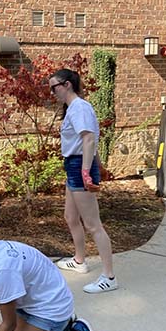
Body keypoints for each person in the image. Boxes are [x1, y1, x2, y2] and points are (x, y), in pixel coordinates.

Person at [49, 69, 118, 294]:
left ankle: (109, 276)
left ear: (67, 84)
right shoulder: (75, 109)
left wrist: (87, 171)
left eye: (54, 87)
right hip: (75, 166)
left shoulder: (79, 108)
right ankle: (80, 261)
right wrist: (96, 166)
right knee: (70, 217)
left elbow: (88, 139)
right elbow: (88, 140)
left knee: (93, 224)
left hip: (79, 167)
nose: (53, 92)